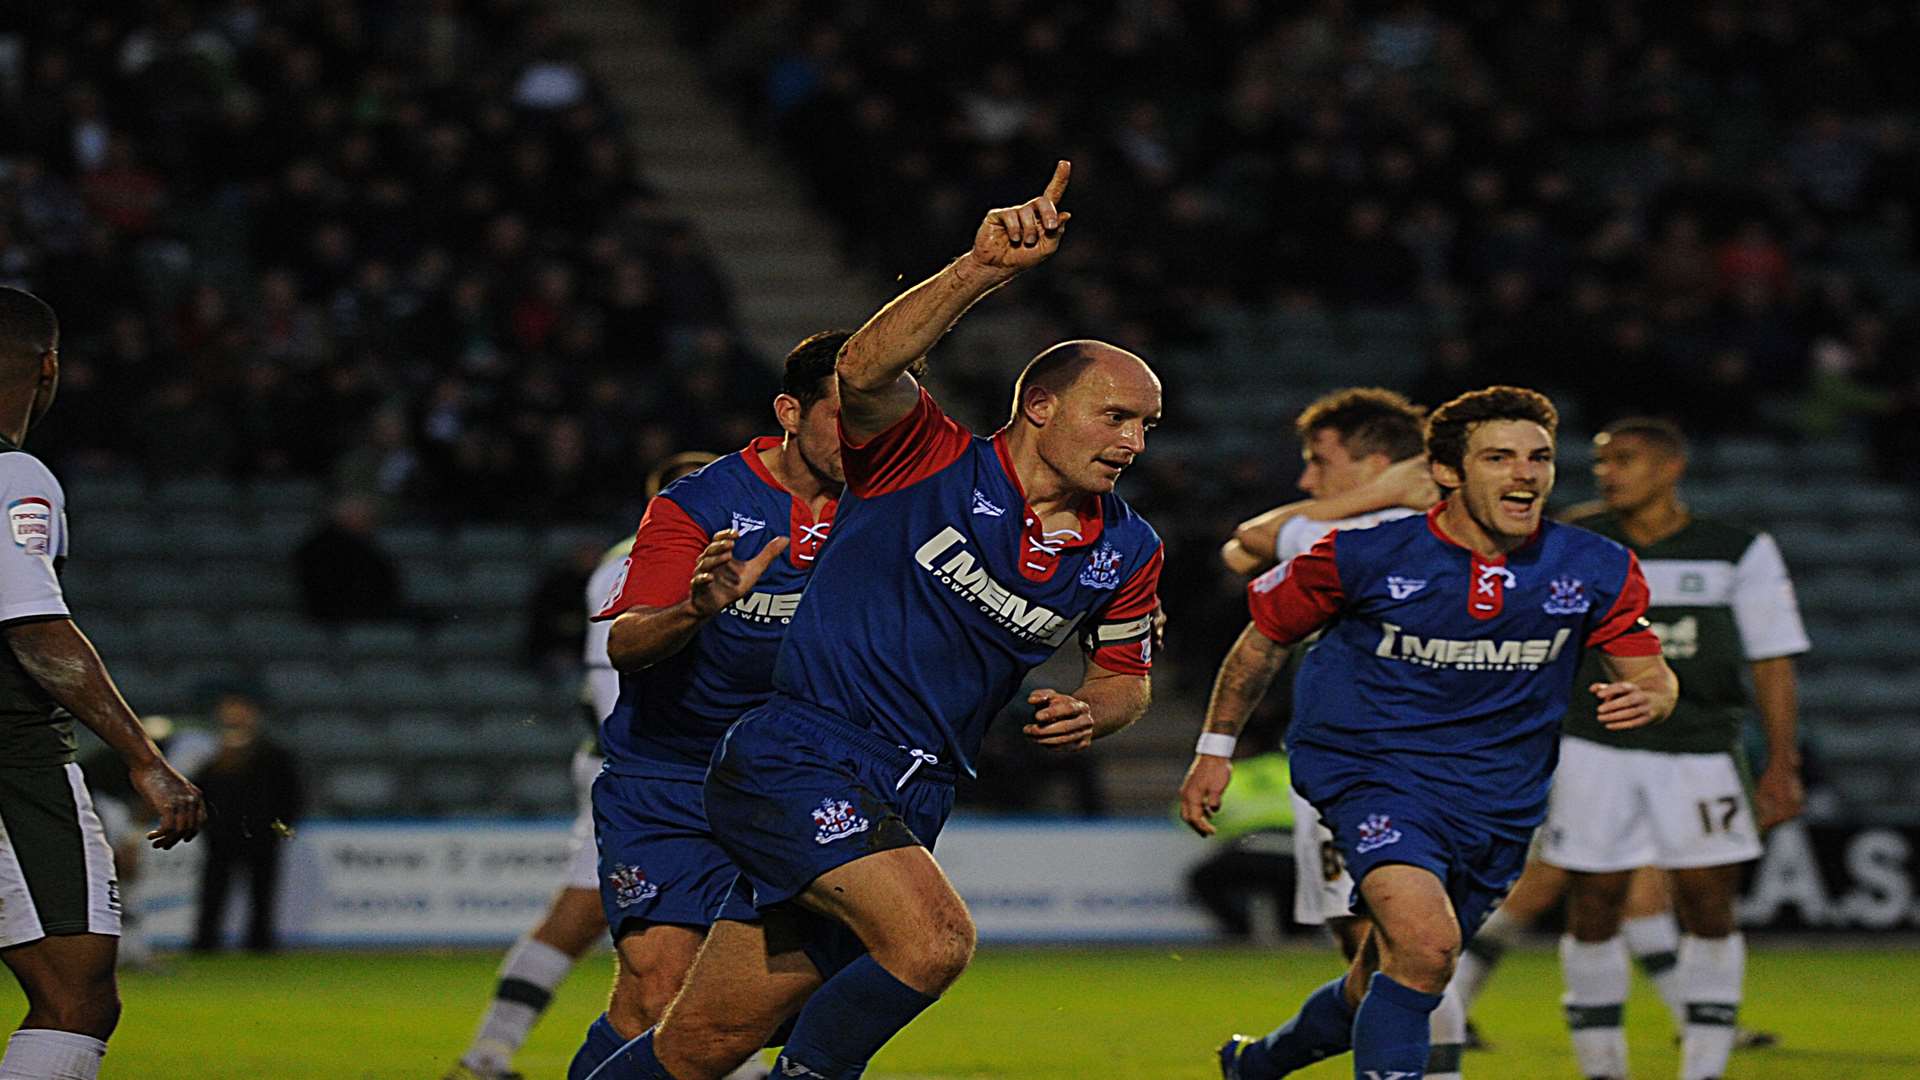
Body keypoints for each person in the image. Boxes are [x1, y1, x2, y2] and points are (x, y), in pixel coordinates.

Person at [595, 160, 1165, 1080]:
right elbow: (862, 369)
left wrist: (1097, 711)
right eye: (1116, 416)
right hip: (802, 754)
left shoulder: (1127, 548)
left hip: (915, 789)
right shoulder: (926, 462)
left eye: (1148, 425)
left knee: (702, 1043)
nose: (1133, 442)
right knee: (934, 942)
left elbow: (1127, 677)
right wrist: (983, 269)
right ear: (1042, 405)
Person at [1181, 386, 1678, 1080]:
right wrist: (1214, 751)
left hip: (1497, 798)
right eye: (1499, 457)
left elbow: (1651, 672)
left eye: (1537, 458)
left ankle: (1259, 1065)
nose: (1525, 474)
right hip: (1372, 773)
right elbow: (1262, 640)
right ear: (1446, 472)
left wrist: (1651, 699)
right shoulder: (1363, 554)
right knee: (1426, 946)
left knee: (1384, 978)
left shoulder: (1593, 566)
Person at [565, 333, 854, 1080]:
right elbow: (628, 643)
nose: (861, 437)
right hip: (669, 778)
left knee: (718, 1011)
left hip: (789, 780)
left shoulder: (885, 509)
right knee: (660, 988)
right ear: (790, 410)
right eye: (843, 415)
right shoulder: (702, 503)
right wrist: (697, 610)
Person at [1533, 417, 1807, 1080]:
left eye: (1623, 459)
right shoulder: (1576, 540)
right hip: (1595, 745)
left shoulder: (1736, 549)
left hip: (1701, 748)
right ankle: (1604, 1070)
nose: (1607, 473)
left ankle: (1703, 1071)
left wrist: (1781, 761)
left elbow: (1772, 660)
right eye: (1600, 462)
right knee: (1593, 901)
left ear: (1670, 467)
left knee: (1708, 902)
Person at [447, 451, 717, 1080]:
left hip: (661, 762)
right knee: (646, 915)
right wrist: (648, 763)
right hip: (650, 767)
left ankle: (488, 1052)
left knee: (591, 908)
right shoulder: (635, 559)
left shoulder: (700, 557)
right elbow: (611, 673)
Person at [0, 286, 206, 1080]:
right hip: (12, 760)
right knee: (76, 998)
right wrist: (142, 756)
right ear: (48, 368)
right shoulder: (13, 471)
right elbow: (34, 627)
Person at [1216, 388, 1430, 963]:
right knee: (1395, 934)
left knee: (1378, 936)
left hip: (1366, 755)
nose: (1309, 481)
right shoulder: (1450, 527)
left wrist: (1375, 499)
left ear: (1377, 466)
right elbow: (1241, 554)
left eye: (1321, 462)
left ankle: (1425, 1050)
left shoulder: (1362, 536)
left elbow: (1246, 544)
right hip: (1429, 749)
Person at [190, 688, 304, 953]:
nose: (235, 714)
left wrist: (278, 828)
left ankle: (260, 942)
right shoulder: (207, 751)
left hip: (262, 835)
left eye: (240, 708)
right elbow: (197, 791)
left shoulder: (273, 754)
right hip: (221, 835)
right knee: (213, 891)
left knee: (262, 892)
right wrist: (206, 826)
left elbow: (290, 796)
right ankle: (206, 942)